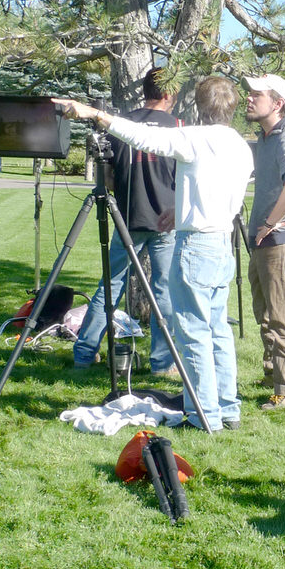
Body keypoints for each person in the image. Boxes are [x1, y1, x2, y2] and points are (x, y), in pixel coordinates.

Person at [58, 77, 255, 431]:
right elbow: (215, 191)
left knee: (193, 332)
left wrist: (92, 113)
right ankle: (228, 409)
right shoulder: (240, 145)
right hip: (222, 243)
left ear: (197, 107)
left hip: (197, 244)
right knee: (218, 330)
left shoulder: (196, 137)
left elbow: (142, 137)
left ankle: (202, 414)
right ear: (233, 107)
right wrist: (180, 211)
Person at [72, 68, 180, 375]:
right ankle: (163, 362)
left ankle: (84, 352)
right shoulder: (179, 127)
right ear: (168, 94)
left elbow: (107, 176)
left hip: (127, 217)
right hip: (165, 221)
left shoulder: (119, 125)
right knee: (164, 290)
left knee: (110, 285)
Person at [243, 73, 285, 411]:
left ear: (278, 103)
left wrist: (269, 224)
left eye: (257, 94)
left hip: (282, 241)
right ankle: (274, 375)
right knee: (265, 314)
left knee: (281, 316)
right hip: (264, 242)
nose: (249, 98)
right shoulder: (267, 138)